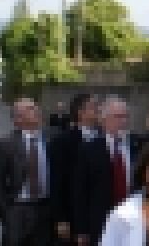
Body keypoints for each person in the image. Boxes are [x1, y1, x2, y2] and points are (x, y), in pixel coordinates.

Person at [74, 96, 142, 245]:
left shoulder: (138, 145)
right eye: (118, 117)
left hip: (134, 218)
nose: (123, 121)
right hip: (101, 221)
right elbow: (81, 191)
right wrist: (82, 230)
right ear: (104, 120)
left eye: (126, 117)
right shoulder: (89, 149)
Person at [0, 98, 54, 245]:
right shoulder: (6, 144)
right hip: (18, 208)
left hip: (46, 207)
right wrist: (5, 211)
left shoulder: (52, 139)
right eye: (30, 109)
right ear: (18, 119)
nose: (36, 111)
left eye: (35, 107)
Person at [51, 93, 99, 244]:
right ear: (81, 112)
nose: (98, 109)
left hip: (99, 212)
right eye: (94, 107)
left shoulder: (105, 138)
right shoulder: (62, 141)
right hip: (73, 214)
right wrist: (61, 218)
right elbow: (58, 181)